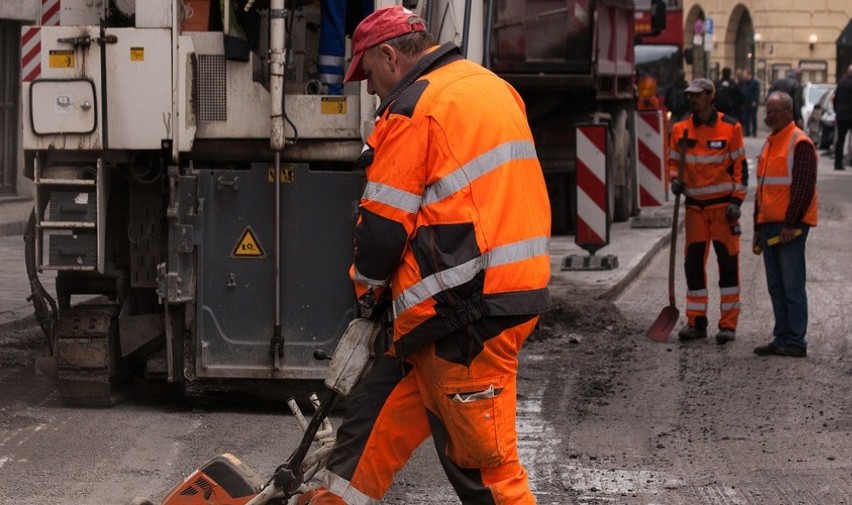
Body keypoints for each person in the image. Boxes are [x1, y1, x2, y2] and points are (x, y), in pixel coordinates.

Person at [300, 6, 552, 504]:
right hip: (472, 304)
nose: (369, 89)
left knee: (484, 473)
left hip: (464, 315)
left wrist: (367, 297)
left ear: (389, 55)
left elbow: (381, 232)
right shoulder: (490, 87)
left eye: (368, 74)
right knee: (367, 430)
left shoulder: (415, 107)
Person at [668, 78, 747, 345]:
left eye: (698, 95)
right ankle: (696, 322)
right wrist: (674, 180)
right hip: (694, 209)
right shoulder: (680, 129)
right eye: (690, 95)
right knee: (693, 266)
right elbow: (673, 161)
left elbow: (740, 168)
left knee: (727, 266)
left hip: (723, 209)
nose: (692, 99)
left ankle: (727, 326)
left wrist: (737, 200)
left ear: (710, 97)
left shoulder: (731, 127)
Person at [753, 92, 818, 357]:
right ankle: (781, 337)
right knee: (776, 285)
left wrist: (790, 224)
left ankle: (795, 341)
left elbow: (802, 187)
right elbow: (762, 189)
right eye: (767, 111)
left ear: (788, 111)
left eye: (773, 111)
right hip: (769, 224)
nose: (768, 116)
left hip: (789, 226)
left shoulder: (799, 142)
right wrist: (757, 227)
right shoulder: (771, 143)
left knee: (791, 285)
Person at [832, 64, 852, 170]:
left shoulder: (841, 84)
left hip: (841, 116)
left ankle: (838, 163)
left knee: (840, 140)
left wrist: (837, 110)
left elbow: (835, 99)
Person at [739, 69, 761, 137]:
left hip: (752, 103)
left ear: (748, 74)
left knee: (753, 117)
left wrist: (755, 101)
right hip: (745, 102)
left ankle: (754, 132)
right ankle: (747, 131)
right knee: (746, 117)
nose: (744, 76)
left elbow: (756, 92)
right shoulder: (744, 82)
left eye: (745, 74)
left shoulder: (755, 82)